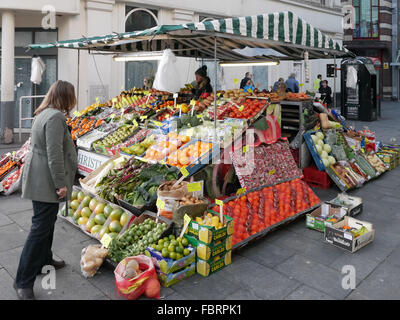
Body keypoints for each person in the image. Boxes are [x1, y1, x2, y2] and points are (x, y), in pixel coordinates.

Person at [14, 80, 78, 300]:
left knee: (46, 221)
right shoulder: (55, 118)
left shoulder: (43, 112)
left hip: (38, 176)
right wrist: (60, 183)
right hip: (45, 180)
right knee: (40, 228)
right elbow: (54, 154)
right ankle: (23, 281)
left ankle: (45, 260)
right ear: (65, 97)